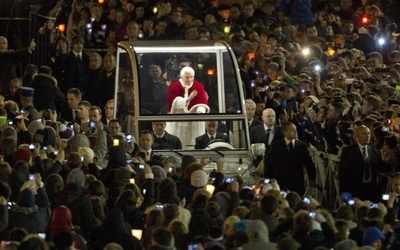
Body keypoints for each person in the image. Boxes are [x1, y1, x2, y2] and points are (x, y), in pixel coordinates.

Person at [265, 122, 316, 196]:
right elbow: (268, 164)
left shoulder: (302, 146)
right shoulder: (275, 147)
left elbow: (309, 163)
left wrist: (312, 178)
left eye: (295, 129)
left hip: (298, 183)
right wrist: (269, 181)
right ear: (285, 132)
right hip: (281, 182)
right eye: (292, 130)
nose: (295, 131)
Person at [339, 125, 387, 202]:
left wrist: (389, 161)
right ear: (357, 136)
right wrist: (343, 192)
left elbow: (382, 168)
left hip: (371, 189)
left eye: (369, 133)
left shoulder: (375, 151)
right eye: (364, 133)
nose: (367, 136)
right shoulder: (348, 151)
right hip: (354, 189)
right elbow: (343, 173)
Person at [166, 66, 209, 149]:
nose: (189, 79)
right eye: (187, 77)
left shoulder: (198, 86)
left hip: (194, 120)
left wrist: (200, 112)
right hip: (179, 120)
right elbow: (172, 101)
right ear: (181, 76)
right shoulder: (174, 86)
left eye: (191, 77)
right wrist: (188, 99)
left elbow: (202, 102)